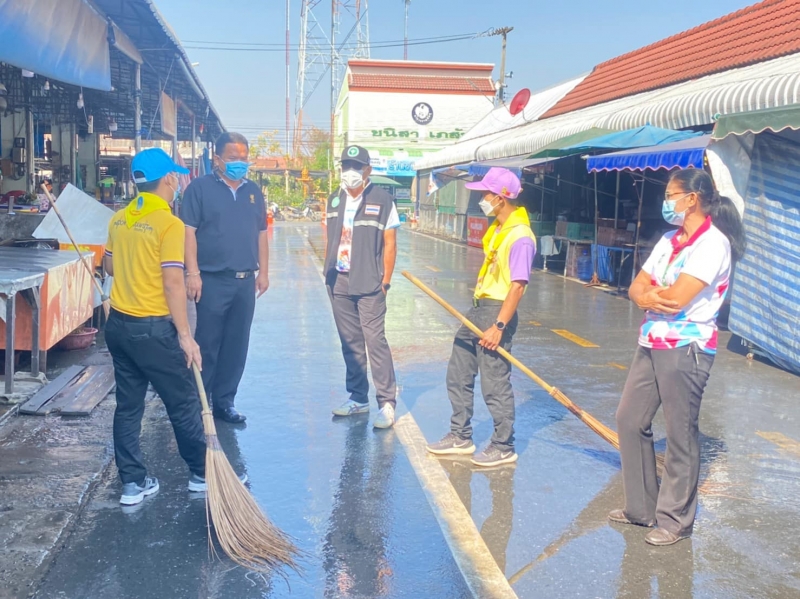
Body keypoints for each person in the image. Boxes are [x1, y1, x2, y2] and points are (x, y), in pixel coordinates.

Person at [609, 169, 746, 546]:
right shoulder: (670, 240)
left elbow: (677, 298)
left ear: (692, 199)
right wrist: (647, 296)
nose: (666, 202)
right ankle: (641, 508)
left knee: (680, 431)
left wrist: (650, 296)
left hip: (687, 347)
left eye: (671, 195)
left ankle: (675, 521)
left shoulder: (713, 244)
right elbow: (637, 286)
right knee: (629, 418)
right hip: (652, 339)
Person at [104, 148, 207, 506]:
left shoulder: (119, 219)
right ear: (167, 179)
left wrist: (131, 259)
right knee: (182, 402)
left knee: (128, 407)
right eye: (174, 175)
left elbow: (109, 267)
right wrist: (186, 336)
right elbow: (173, 284)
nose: (177, 181)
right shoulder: (168, 223)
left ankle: (132, 484)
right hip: (152, 331)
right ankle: (202, 474)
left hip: (118, 327)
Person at [427, 168, 536, 467]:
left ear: (501, 198)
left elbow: (518, 286)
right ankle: (460, 435)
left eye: (487, 194)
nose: (483, 199)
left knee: (494, 382)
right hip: (479, 307)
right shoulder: (500, 228)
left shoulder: (521, 236)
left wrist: (499, 325)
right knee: (459, 371)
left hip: (497, 311)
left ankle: (503, 445)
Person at [181, 132, 269, 423]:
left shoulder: (253, 191)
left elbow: (262, 234)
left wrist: (264, 272)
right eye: (233, 158)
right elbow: (188, 233)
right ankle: (201, 403)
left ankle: (225, 402)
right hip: (211, 280)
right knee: (208, 342)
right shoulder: (199, 189)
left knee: (237, 344)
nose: (239, 163)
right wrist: (192, 273)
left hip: (245, 281)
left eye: (244, 158)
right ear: (217, 158)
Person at [323, 145, 400, 429]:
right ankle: (358, 398)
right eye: (346, 166)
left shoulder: (383, 200)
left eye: (356, 166)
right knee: (350, 342)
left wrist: (385, 281)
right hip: (339, 281)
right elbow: (331, 238)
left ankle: (386, 403)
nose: (350, 171)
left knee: (375, 341)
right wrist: (328, 273)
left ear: (368, 170)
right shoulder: (334, 199)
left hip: (369, 283)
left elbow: (390, 244)